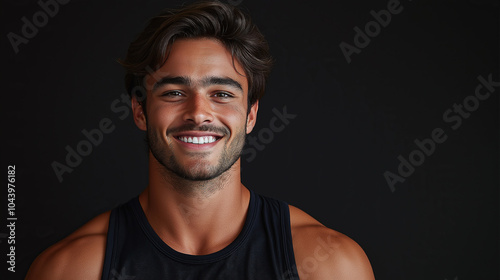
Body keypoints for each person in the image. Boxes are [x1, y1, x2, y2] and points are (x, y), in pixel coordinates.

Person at [26, 1, 375, 279]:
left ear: (251, 115)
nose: (198, 113)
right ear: (140, 111)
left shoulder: (329, 265)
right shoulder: (73, 269)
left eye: (221, 93)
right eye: (175, 92)